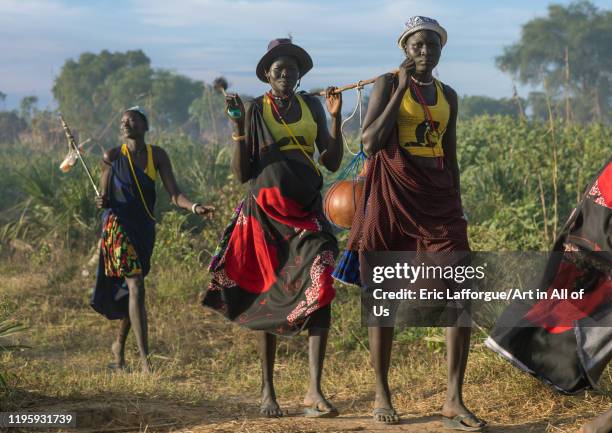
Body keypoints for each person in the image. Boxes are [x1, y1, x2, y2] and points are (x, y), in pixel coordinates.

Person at [333, 17, 485, 430]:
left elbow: (449, 156)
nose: (425, 51)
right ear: (405, 48)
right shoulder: (387, 84)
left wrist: (456, 203)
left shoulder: (448, 95)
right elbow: (368, 143)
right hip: (391, 197)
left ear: (441, 50)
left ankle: (454, 399)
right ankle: (382, 394)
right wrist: (399, 88)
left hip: (438, 200)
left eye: (432, 45)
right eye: (417, 45)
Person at [202, 38, 343, 418]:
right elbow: (242, 173)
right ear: (267, 74)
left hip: (307, 210)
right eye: (279, 69)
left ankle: (314, 389)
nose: (286, 74)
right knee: (266, 294)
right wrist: (236, 127)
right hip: (265, 215)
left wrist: (335, 117)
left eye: (293, 69)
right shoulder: (252, 110)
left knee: (322, 279)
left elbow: (330, 161)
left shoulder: (311, 104)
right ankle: (268, 391)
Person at [91, 106, 214, 373]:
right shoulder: (111, 156)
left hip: (144, 229)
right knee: (136, 287)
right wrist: (101, 199)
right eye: (123, 120)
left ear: (145, 125)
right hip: (118, 227)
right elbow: (104, 197)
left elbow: (174, 194)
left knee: (133, 291)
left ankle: (118, 348)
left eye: (132, 119)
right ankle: (146, 362)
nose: (126, 123)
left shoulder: (156, 155)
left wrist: (194, 207)